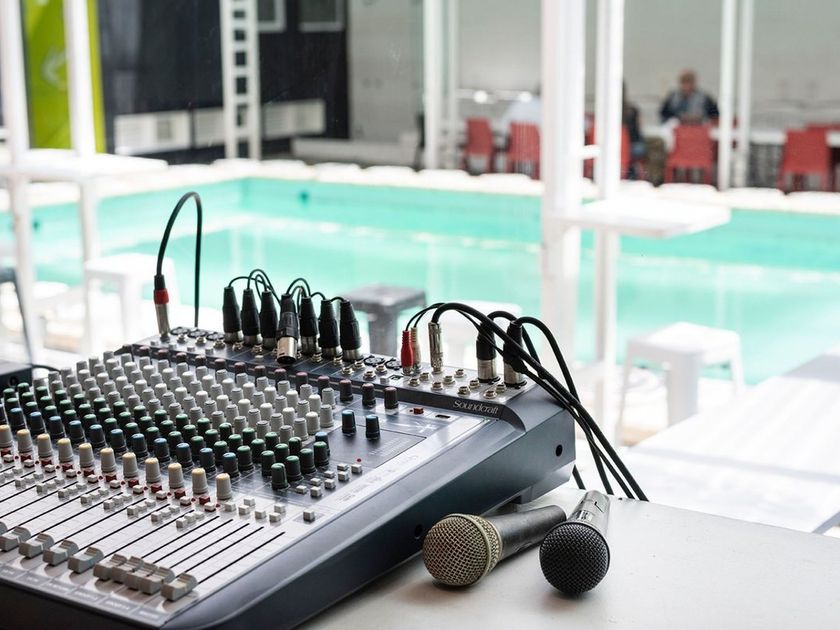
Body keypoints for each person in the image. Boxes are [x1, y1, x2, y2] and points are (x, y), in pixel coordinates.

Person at [623, 83, 646, 178]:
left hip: (631, 146)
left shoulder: (632, 111)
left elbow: (638, 130)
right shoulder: (632, 110)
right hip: (624, 147)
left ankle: (631, 171)